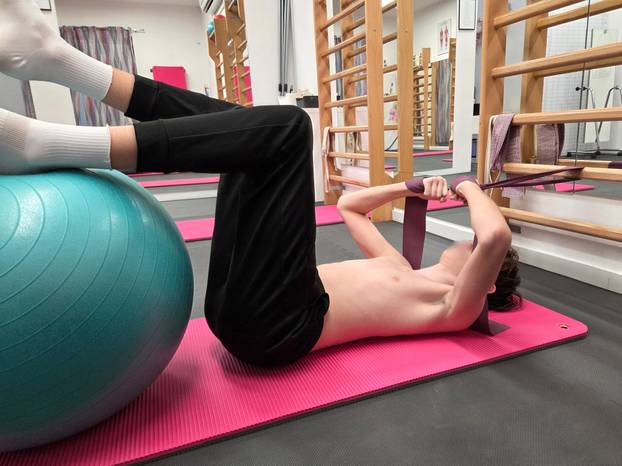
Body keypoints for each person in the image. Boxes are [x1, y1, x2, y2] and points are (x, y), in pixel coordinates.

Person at [0, 0, 520, 367]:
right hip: (244, 306)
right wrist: (408, 188)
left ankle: (48, 144)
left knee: (289, 130)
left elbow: (495, 235)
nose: (470, 240)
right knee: (241, 132)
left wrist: (468, 187)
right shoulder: (400, 267)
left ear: (489, 282)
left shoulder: (453, 307)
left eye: (474, 249)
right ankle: (62, 63)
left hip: (278, 327)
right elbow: (352, 207)